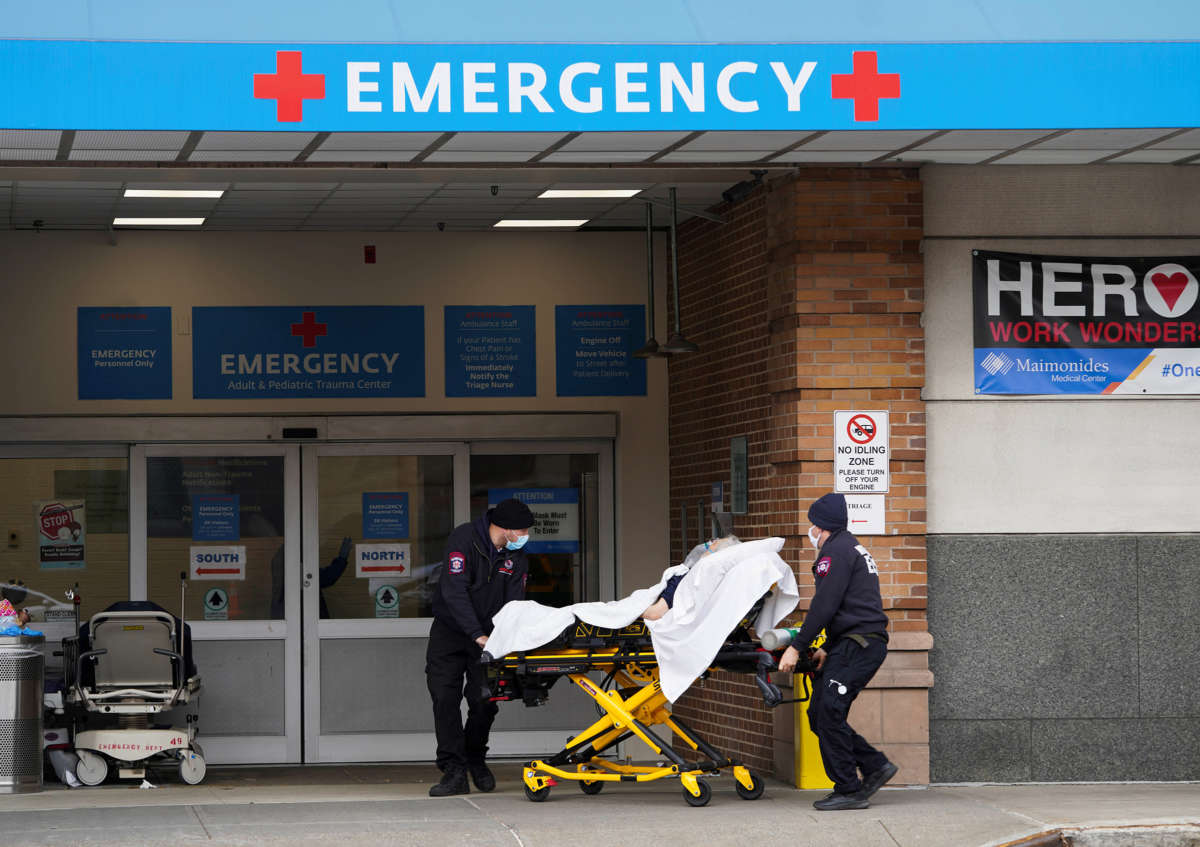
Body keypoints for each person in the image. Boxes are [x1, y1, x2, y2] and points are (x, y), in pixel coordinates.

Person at [778, 492, 898, 811]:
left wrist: (796, 647)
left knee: (828, 711)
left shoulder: (835, 553)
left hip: (860, 645)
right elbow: (848, 607)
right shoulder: (850, 548)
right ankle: (874, 766)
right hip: (853, 643)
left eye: (813, 526)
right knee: (819, 713)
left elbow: (824, 607)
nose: (811, 532)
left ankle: (849, 788)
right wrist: (828, 649)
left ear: (823, 527)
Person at [425, 497, 534, 797]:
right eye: (523, 529)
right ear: (507, 528)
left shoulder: (517, 556)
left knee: (485, 700)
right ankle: (454, 770)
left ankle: (475, 759)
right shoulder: (464, 539)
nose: (525, 535)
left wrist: (507, 638)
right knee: (444, 698)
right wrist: (476, 634)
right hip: (451, 632)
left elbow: (514, 603)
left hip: (489, 637)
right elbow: (454, 591)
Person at [642, 535, 739, 620]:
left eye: (712, 545)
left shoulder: (692, 580)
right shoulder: (682, 580)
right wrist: (632, 609)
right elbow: (654, 613)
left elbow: (654, 613)